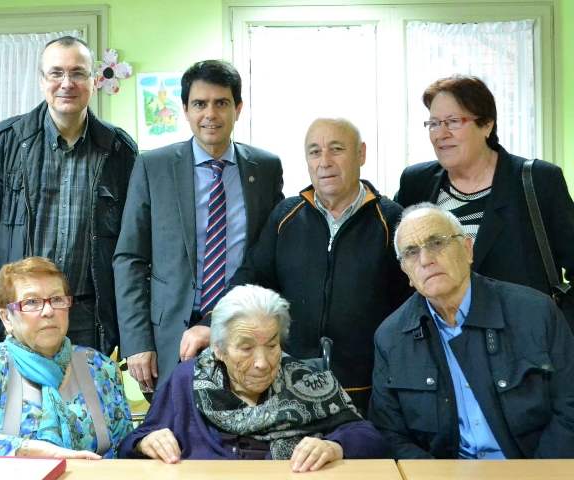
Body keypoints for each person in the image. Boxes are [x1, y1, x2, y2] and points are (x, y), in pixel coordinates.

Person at [0, 36, 138, 364]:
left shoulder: (119, 151)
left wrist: (132, 335)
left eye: (78, 73)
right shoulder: (7, 142)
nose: (66, 83)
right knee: (16, 414)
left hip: (88, 322)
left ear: (94, 82)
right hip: (17, 319)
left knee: (85, 414)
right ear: (42, 82)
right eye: (56, 73)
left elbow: (133, 252)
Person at [217, 118, 411, 414]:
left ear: (361, 154)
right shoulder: (286, 215)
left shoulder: (391, 219)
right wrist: (210, 325)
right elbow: (251, 278)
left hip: (371, 389)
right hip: (291, 387)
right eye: (315, 152)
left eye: (336, 149)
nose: (325, 162)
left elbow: (410, 304)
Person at [113, 60, 283, 393]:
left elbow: (270, 256)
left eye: (221, 103)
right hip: (168, 336)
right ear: (185, 110)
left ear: (238, 108)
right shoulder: (153, 166)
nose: (211, 114)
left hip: (242, 329)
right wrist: (136, 342)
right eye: (199, 104)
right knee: (172, 435)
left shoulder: (264, 168)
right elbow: (129, 258)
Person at [368, 204, 574, 459]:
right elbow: (389, 433)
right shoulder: (390, 338)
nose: (425, 260)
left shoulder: (535, 312)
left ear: (467, 249)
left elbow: (569, 408)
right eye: (411, 252)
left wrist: (537, 474)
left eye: (436, 243)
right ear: (406, 273)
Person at [118, 284, 388, 470]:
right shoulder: (185, 382)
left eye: (271, 346)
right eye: (246, 348)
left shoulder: (305, 381)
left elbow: (368, 437)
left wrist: (335, 447)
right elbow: (132, 443)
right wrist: (145, 443)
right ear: (219, 349)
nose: (262, 363)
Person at [395, 74, 574, 331]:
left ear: (487, 125)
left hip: (525, 344)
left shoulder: (538, 181)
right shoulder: (416, 183)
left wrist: (562, 330)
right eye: (433, 124)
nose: (441, 134)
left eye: (454, 122)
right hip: (443, 346)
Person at [0, 257, 134, 458]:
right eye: (31, 302)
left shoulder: (100, 368)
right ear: (6, 318)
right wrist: (40, 452)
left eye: (56, 299)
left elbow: (125, 447)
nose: (48, 311)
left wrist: (143, 442)